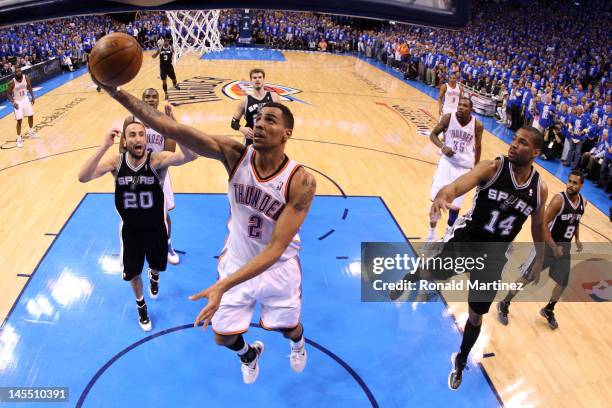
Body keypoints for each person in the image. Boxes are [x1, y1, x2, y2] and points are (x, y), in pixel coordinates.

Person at [92, 70, 316, 385]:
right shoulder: (234, 154)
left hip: (277, 267)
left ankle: (297, 343)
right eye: (259, 118)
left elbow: (275, 248)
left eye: (271, 121)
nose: (261, 124)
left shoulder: (301, 181)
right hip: (237, 261)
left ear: (286, 133)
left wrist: (222, 286)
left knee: (289, 327)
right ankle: (249, 355)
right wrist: (116, 91)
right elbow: (171, 128)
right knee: (223, 338)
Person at [392, 126, 548, 390]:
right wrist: (443, 196)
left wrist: (540, 259)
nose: (513, 145)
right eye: (514, 139)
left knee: (476, 316)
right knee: (429, 275)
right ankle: (410, 277)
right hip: (467, 243)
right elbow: (456, 186)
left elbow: (537, 226)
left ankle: (461, 359)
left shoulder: (538, 189)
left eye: (522, 143)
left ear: (535, 152)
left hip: (494, 257)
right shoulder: (493, 167)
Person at [78, 122, 196, 331]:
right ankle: (141, 305)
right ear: (125, 140)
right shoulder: (116, 162)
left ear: (146, 139)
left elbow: (190, 156)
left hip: (156, 229)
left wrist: (174, 128)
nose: (138, 138)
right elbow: (83, 177)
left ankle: (155, 274)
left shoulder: (156, 160)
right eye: (132, 135)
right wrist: (104, 146)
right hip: (130, 231)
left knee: (157, 265)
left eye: (141, 134)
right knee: (133, 273)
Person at [497, 170, 585, 329]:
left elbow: (576, 220)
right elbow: (543, 224)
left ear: (581, 185)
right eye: (569, 181)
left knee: (562, 283)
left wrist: (577, 239)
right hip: (546, 246)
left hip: (563, 248)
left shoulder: (582, 202)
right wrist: (553, 247)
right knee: (527, 277)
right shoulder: (559, 200)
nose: (570, 185)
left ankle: (549, 309)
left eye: (575, 183)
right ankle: (505, 302)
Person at [123, 88, 181, 265]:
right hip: (135, 174)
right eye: (146, 96)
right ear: (141, 99)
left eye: (153, 96)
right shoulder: (131, 120)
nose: (150, 99)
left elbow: (170, 152)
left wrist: (172, 122)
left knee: (162, 215)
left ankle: (167, 243)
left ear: (158, 100)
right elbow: (122, 150)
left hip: (158, 175)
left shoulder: (164, 122)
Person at [427, 97, 483, 241]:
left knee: (455, 206)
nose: (460, 107)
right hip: (447, 164)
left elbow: (478, 146)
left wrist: (475, 167)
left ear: (471, 109)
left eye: (464, 106)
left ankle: (447, 234)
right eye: (459, 105)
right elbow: (433, 135)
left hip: (464, 168)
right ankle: (431, 235)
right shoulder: (448, 118)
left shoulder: (477, 126)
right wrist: (443, 146)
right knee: (435, 200)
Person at [231, 68, 281, 146]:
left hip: (269, 138)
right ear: (251, 81)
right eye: (254, 78)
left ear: (264, 80)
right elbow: (233, 122)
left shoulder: (274, 97)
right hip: (251, 140)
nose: (257, 80)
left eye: (260, 77)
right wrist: (241, 128)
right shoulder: (244, 101)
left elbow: (282, 118)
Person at [6, 66, 37, 148]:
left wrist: (32, 96)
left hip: (25, 99)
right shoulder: (11, 82)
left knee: (31, 115)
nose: (18, 73)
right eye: (17, 72)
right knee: (19, 121)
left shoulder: (25, 77)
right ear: (15, 73)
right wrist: (13, 102)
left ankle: (31, 132)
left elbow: (29, 86)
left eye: (19, 71)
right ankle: (19, 139)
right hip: (17, 101)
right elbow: (8, 94)